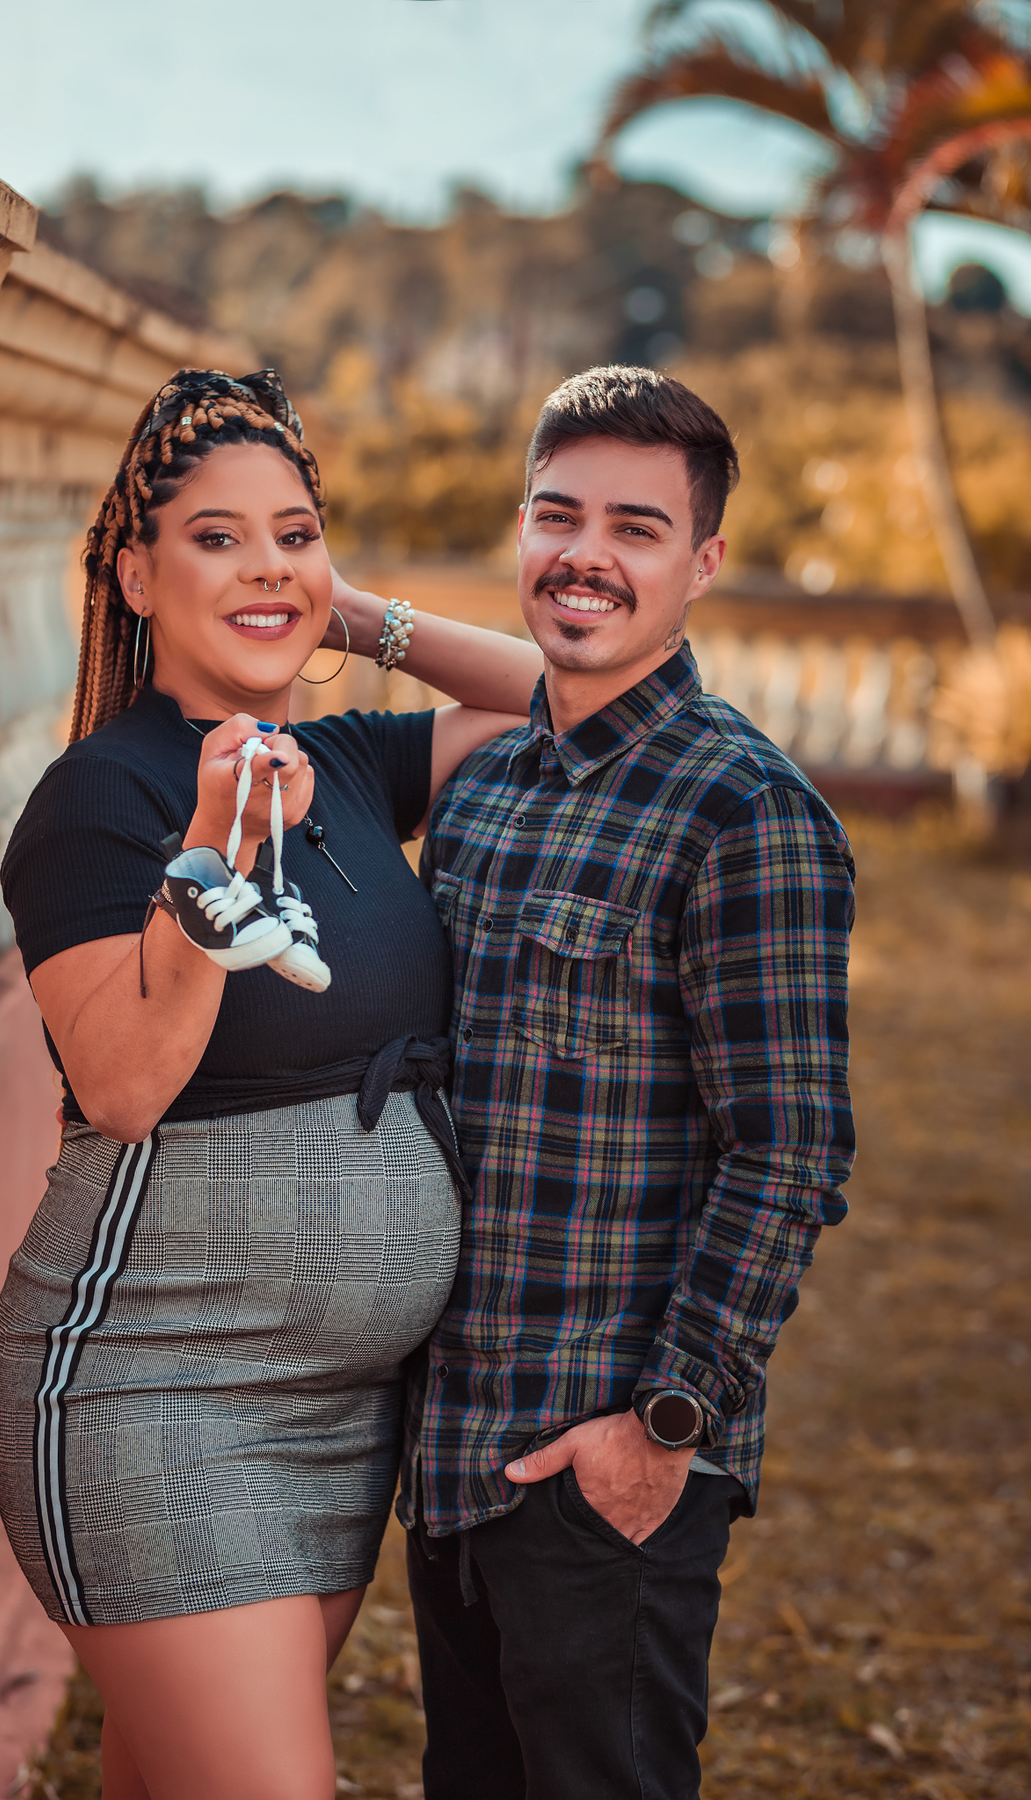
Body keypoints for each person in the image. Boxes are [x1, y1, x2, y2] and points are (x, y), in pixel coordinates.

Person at [0, 367, 543, 1800]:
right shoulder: (103, 796)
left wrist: (341, 617)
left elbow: (574, 706)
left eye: (292, 532)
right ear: (135, 573)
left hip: (343, 1413)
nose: (265, 563)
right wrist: (216, 852)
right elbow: (120, 1084)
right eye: (218, 537)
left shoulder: (352, 762)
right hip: (157, 1392)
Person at [403, 364, 855, 1800]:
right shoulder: (482, 792)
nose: (586, 553)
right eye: (558, 514)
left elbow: (787, 1157)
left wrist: (665, 1427)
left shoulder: (748, 815)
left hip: (609, 1466)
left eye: (637, 527)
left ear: (704, 561)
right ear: (520, 530)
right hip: (455, 1444)